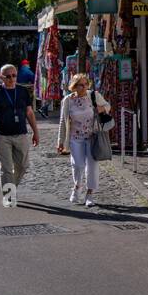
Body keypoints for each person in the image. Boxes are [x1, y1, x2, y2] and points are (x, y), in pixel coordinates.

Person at [0, 63, 39, 204]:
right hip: (1, 135)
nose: (11, 78)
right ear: (1, 77)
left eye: (14, 75)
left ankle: (11, 188)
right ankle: (9, 197)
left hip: (21, 134)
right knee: (6, 168)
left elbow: (29, 112)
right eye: (8, 76)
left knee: (23, 165)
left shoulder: (22, 91)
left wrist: (35, 131)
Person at [56, 72, 111, 207]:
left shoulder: (93, 95)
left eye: (86, 84)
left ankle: (90, 193)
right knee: (78, 165)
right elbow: (63, 122)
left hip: (93, 137)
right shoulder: (67, 100)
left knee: (92, 166)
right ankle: (77, 187)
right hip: (75, 138)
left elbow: (108, 107)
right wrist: (60, 142)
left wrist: (101, 108)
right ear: (74, 86)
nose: (84, 87)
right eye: (80, 85)